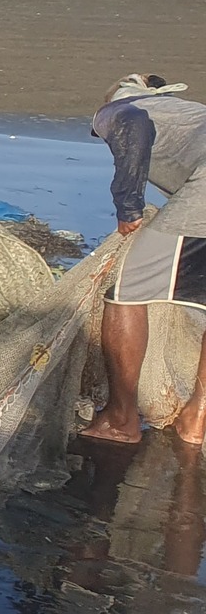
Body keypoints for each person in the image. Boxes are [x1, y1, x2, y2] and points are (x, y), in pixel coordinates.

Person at [80, 75, 206, 446]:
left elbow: (134, 128)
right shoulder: (184, 112)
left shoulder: (117, 110)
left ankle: (120, 420)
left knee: (126, 293)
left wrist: (128, 205)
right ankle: (197, 419)